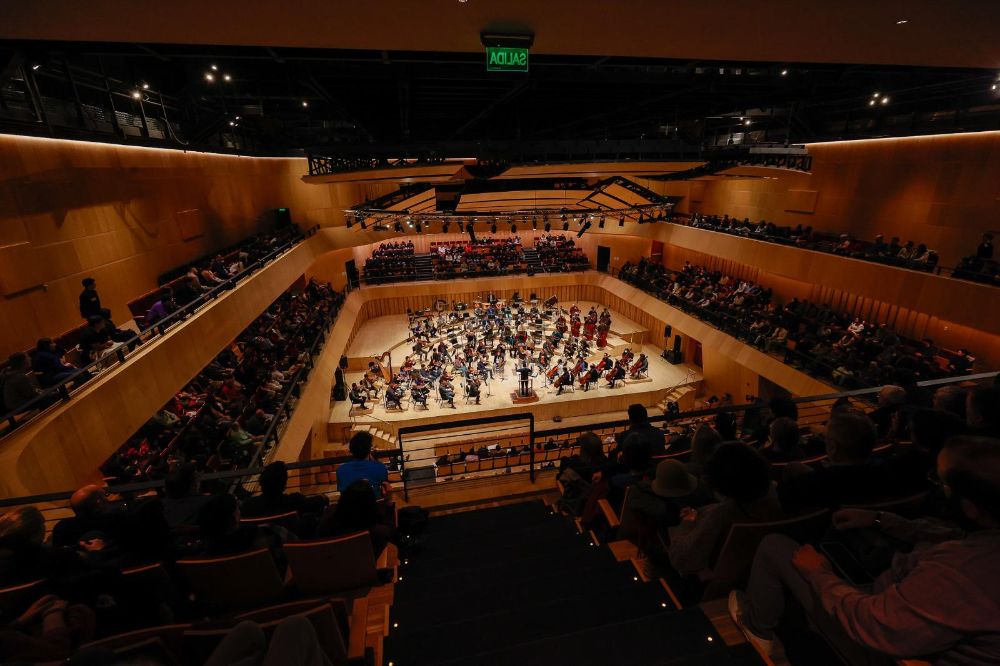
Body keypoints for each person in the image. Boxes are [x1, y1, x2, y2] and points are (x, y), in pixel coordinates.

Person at [729, 436, 1000, 661]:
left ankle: (757, 631)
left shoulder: (962, 575)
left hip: (871, 641)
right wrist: (882, 519)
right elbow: (956, 535)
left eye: (941, 483)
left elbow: (875, 626)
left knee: (773, 545)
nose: (937, 489)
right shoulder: (984, 540)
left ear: (970, 507)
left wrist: (819, 574)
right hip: (888, 596)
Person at [668, 443, 782, 575]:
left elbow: (679, 559)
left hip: (725, 581)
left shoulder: (722, 515)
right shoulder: (776, 492)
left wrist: (687, 522)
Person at [777, 412, 898, 512]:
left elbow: (783, 499)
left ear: (833, 447)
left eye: (826, 438)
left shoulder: (813, 483)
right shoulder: (887, 470)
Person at [242, 461, 328, 520]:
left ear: (262, 482)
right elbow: (316, 503)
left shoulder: (249, 505)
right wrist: (323, 497)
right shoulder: (294, 501)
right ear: (284, 484)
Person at [335, 431, 391, 499]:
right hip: (374, 507)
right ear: (369, 449)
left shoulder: (341, 470)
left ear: (351, 450)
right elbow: (384, 490)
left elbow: (343, 495)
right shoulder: (381, 467)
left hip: (350, 508)